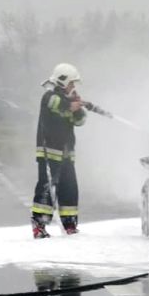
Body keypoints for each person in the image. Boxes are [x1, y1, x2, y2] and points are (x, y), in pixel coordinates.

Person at [31, 63, 86, 239]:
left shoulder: (69, 101)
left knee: (69, 188)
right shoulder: (49, 97)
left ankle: (70, 224)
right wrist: (71, 105)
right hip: (49, 152)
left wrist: (77, 106)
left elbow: (81, 120)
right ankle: (39, 225)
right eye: (71, 83)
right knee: (47, 188)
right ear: (62, 81)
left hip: (66, 154)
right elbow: (56, 104)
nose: (73, 87)